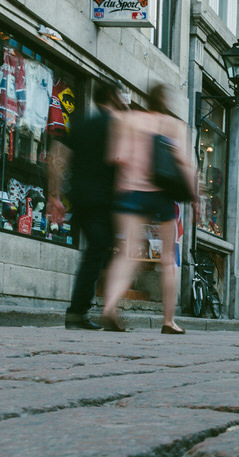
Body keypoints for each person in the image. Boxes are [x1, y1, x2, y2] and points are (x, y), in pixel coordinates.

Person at [99, 84, 198, 334]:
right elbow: (186, 166)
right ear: (166, 102)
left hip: (130, 192)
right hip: (162, 196)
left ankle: (110, 307)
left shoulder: (129, 120)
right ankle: (168, 321)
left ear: (146, 99)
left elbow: (115, 158)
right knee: (167, 259)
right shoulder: (174, 126)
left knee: (125, 253)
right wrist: (195, 199)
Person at [47, 81, 126, 331]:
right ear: (113, 96)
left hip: (79, 198)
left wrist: (54, 196)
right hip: (104, 201)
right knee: (100, 255)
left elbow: (55, 159)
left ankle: (85, 310)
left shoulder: (81, 124)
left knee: (95, 254)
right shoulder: (115, 126)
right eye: (122, 95)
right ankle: (86, 311)